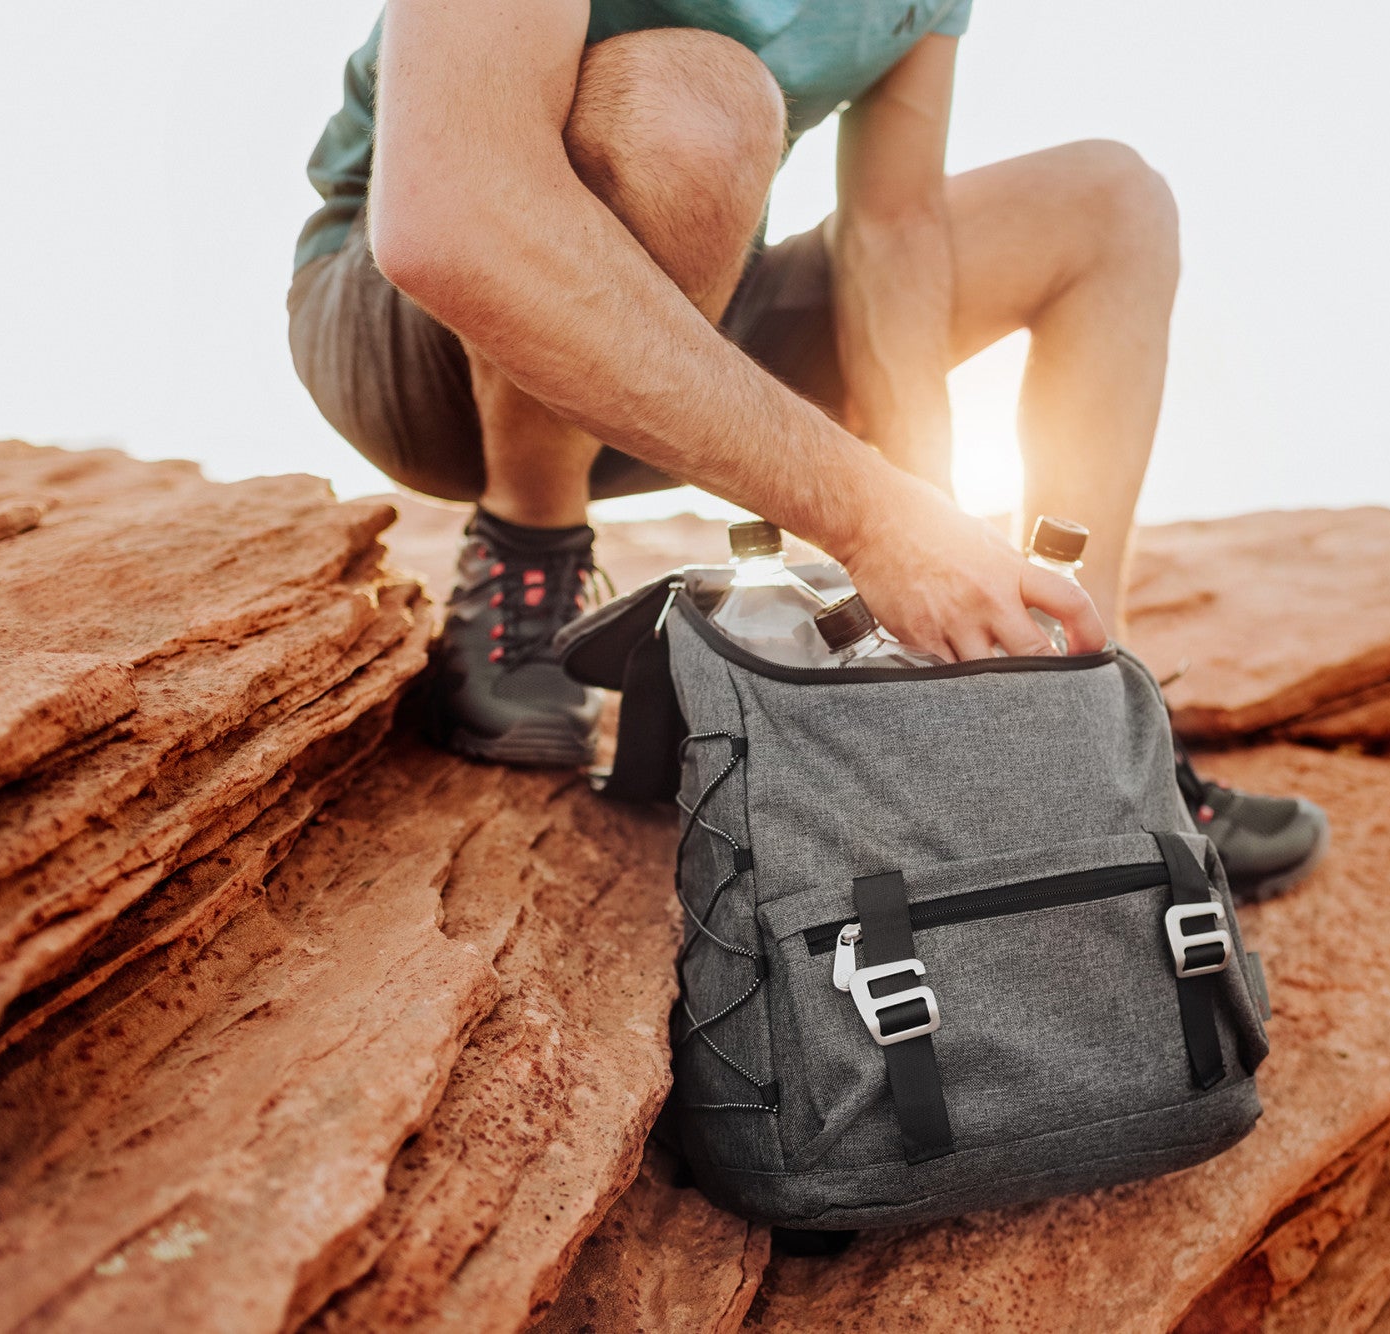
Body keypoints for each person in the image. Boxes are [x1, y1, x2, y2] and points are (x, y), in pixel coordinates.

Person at [286, 0, 1326, 896]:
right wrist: (870, 518)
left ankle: (1080, 718)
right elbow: (450, 219)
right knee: (699, 105)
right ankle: (529, 551)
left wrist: (934, 524)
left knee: (1108, 200)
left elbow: (894, 224)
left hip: (699, 303)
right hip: (410, 328)